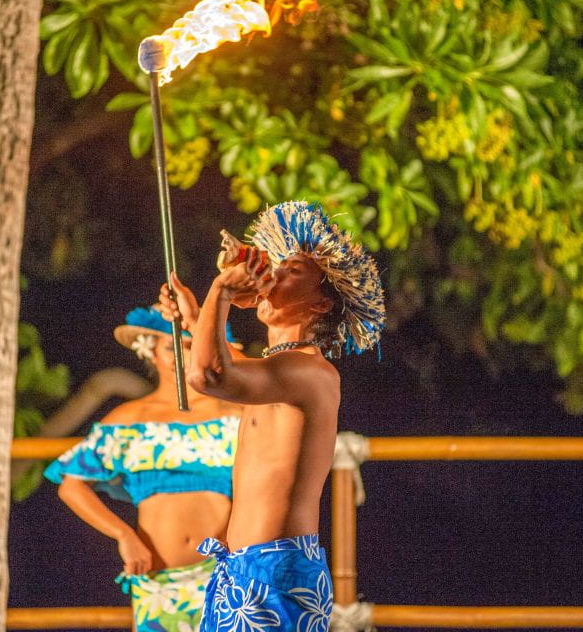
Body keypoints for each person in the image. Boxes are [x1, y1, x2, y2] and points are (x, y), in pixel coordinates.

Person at [170, 200, 385, 631]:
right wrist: (198, 319)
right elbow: (230, 365)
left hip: (276, 574)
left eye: (294, 272)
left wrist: (222, 292)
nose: (276, 275)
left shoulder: (312, 372)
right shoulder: (280, 370)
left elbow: (209, 375)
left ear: (322, 304)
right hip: (242, 570)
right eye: (277, 266)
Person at [44, 302, 244, 632]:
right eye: (172, 346)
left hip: (228, 575)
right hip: (158, 584)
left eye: (192, 344)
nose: (183, 355)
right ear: (150, 352)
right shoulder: (129, 421)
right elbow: (71, 484)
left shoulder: (233, 414)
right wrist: (124, 535)